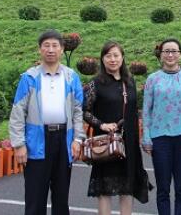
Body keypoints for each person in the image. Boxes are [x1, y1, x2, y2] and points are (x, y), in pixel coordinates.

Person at [9, 29, 85, 215]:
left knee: (61, 197)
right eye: (46, 45)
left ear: (62, 49)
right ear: (40, 49)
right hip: (36, 142)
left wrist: (77, 139)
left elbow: (77, 111)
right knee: (35, 198)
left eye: (55, 46)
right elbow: (18, 112)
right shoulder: (29, 78)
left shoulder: (71, 77)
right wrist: (19, 144)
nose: (51, 50)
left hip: (63, 140)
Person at [83, 41, 150, 215]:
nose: (112, 59)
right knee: (104, 188)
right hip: (106, 142)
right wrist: (102, 124)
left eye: (116, 55)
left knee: (127, 187)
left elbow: (133, 110)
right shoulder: (95, 83)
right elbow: (84, 111)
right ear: (102, 59)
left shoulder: (130, 81)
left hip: (129, 141)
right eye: (108, 56)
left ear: (122, 58)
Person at [142, 38, 181, 215]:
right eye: (166, 51)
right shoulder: (152, 79)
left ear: (180, 54)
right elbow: (147, 110)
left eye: (174, 51)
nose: (170, 55)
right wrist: (146, 137)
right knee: (163, 187)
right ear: (161, 54)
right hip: (160, 138)